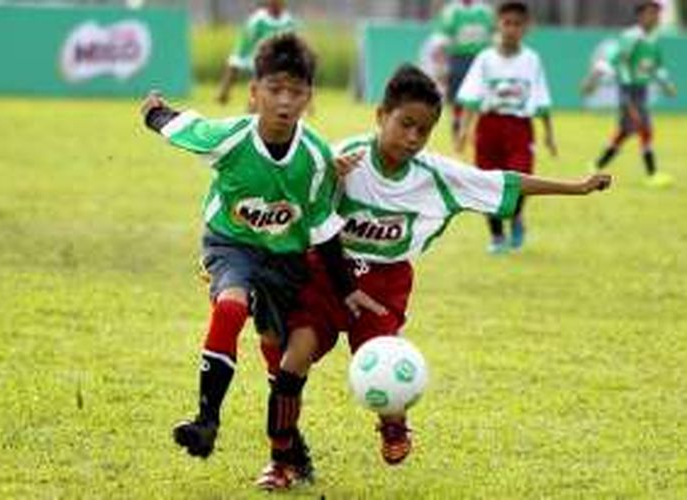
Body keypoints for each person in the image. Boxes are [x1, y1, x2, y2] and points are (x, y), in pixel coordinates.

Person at [255, 63, 612, 491]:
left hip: (385, 284)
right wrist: (325, 175)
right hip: (328, 275)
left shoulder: (435, 175)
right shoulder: (342, 159)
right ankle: (282, 461)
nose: (412, 138)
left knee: (381, 364)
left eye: (422, 131)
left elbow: (502, 182)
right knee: (293, 360)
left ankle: (393, 423)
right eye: (405, 124)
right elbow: (280, 192)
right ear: (380, 116)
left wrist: (577, 186)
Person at [140, 33, 384, 462]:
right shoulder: (231, 138)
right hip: (230, 244)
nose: (285, 101)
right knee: (231, 306)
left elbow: (324, 227)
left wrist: (346, 288)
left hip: (285, 259)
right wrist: (154, 113)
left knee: (278, 352)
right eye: (274, 90)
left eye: (296, 91)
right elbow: (182, 128)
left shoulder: (315, 156)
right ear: (254, 94)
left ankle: (289, 444)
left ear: (309, 96)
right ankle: (206, 420)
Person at [455, 1, 556, 254]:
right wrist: (463, 130)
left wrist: (549, 134)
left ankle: (517, 216)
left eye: (517, 24)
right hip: (489, 125)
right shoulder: (485, 59)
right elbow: (472, 96)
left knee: (520, 179)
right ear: (498, 26)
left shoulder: (532, 60)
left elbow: (541, 97)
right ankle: (497, 236)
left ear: (526, 28)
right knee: (487, 183)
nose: (511, 29)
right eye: (507, 23)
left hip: (519, 126)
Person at [589, 0, 677, 188]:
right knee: (644, 129)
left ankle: (597, 164)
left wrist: (666, 84)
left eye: (657, 13)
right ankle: (652, 175)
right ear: (640, 15)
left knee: (625, 132)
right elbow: (618, 61)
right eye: (650, 12)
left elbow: (656, 67)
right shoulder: (631, 37)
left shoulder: (652, 40)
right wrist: (598, 78)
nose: (655, 16)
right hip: (629, 91)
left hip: (641, 92)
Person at [432, 0, 495, 143]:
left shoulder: (486, 11)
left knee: (482, 96)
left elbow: (495, 37)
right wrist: (442, 66)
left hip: (481, 60)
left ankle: (478, 130)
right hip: (459, 58)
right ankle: (457, 126)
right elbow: (441, 40)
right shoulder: (451, 11)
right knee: (457, 97)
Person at [216, 0, 296, 105]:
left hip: (278, 61)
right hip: (256, 57)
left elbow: (293, 43)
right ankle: (224, 92)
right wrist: (241, 55)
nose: (276, 4)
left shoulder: (289, 21)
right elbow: (245, 42)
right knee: (234, 66)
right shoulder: (258, 20)